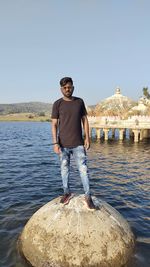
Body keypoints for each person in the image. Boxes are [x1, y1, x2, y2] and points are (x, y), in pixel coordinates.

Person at [51, 77, 96, 209]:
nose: (67, 89)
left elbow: (85, 120)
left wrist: (87, 137)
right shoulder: (57, 104)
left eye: (69, 87)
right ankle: (66, 193)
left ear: (73, 87)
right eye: (64, 88)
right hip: (63, 144)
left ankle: (88, 196)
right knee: (64, 170)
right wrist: (55, 143)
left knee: (83, 170)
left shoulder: (79, 102)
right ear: (61, 89)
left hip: (78, 144)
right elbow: (54, 124)